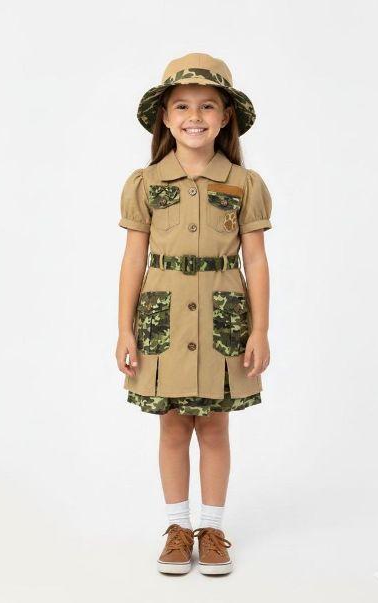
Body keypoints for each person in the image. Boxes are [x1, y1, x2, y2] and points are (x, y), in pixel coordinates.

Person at [115, 52, 273, 575]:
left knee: (215, 428)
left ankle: (213, 529)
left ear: (225, 117)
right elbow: (133, 259)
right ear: (165, 116)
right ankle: (179, 529)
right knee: (173, 428)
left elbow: (256, 260)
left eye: (207, 105)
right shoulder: (145, 183)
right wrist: (124, 329)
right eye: (182, 105)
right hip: (163, 322)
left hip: (223, 321)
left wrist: (261, 330)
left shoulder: (244, 184)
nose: (194, 116)